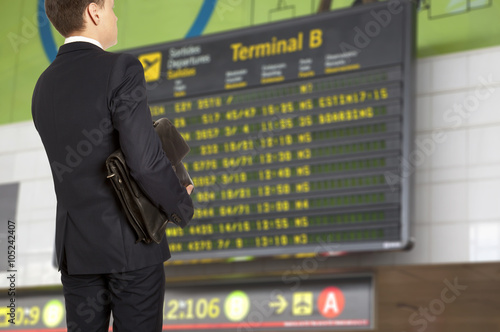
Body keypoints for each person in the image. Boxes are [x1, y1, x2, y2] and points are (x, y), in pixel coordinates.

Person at [31, 0, 194, 331]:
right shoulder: (122, 68)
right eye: (111, 8)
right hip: (132, 248)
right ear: (93, 11)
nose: (116, 15)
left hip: (75, 254)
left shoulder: (43, 86)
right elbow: (144, 162)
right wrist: (180, 203)